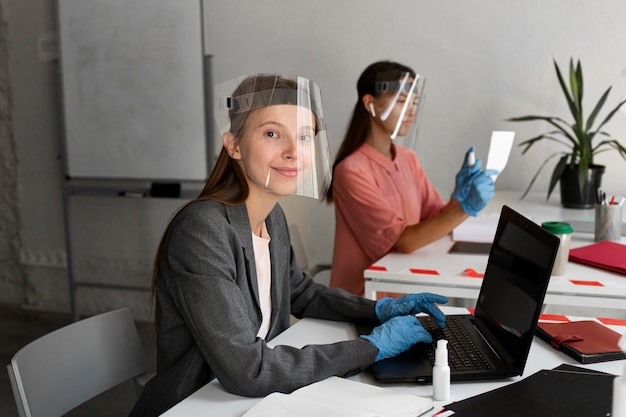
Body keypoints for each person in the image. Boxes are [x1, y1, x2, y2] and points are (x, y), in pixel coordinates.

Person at [129, 73, 449, 417]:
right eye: (271, 134)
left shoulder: (272, 217)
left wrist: (377, 311)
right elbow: (248, 371)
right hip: (196, 406)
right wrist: (367, 348)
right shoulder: (202, 231)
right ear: (234, 144)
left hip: (255, 403)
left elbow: (301, 292)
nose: (293, 151)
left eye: (304, 136)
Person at [325, 61, 497, 296]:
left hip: (408, 288)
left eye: (414, 102)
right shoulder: (352, 171)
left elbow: (436, 221)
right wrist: (466, 208)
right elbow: (405, 241)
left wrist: (459, 199)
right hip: (368, 300)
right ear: (369, 103)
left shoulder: (408, 158)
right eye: (401, 101)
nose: (411, 111)